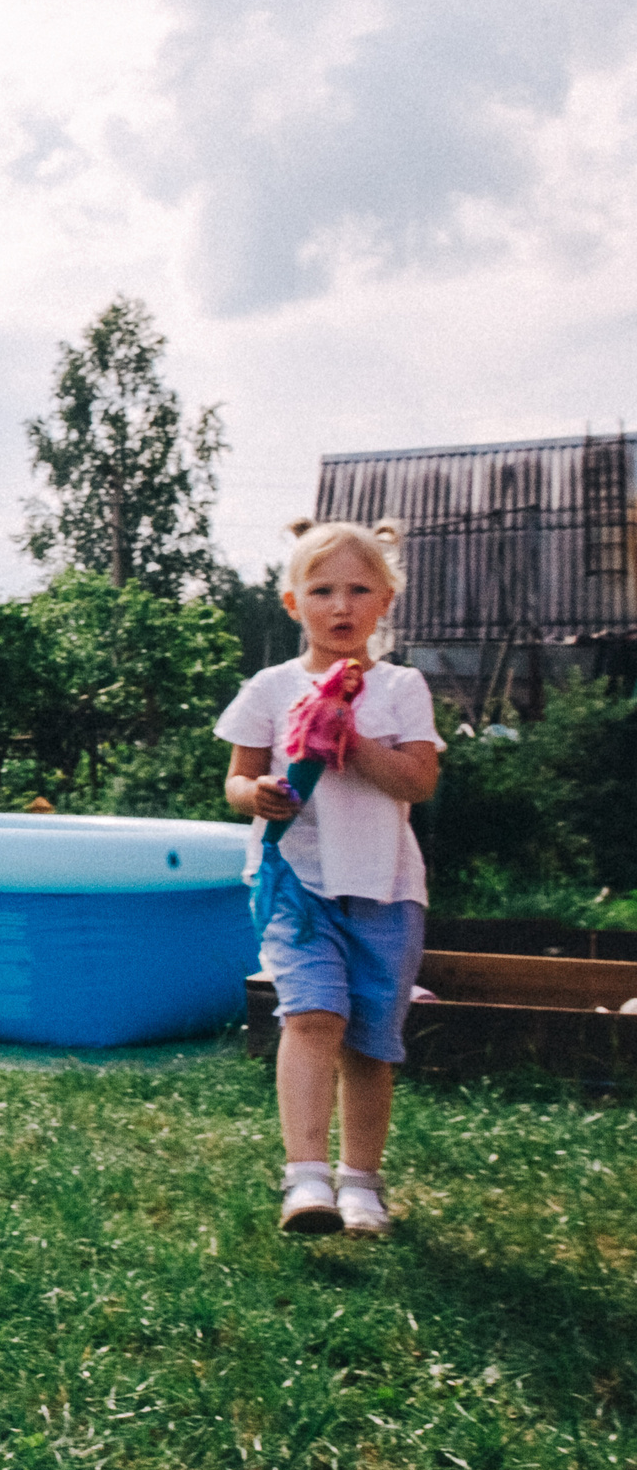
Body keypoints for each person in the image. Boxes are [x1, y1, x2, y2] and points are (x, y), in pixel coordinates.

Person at [216, 518, 442, 1238]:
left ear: (385, 602)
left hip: (385, 886)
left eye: (358, 590)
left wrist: (350, 738)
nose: (340, 606)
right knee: (312, 1016)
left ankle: (361, 1182)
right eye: (322, 590)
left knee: (372, 1043)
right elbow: (237, 781)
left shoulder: (402, 687)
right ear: (292, 604)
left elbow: (418, 780)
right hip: (295, 882)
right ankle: (306, 1176)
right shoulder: (271, 687)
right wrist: (262, 796)